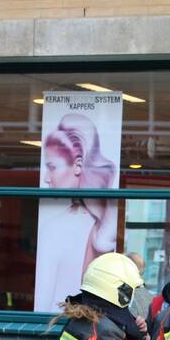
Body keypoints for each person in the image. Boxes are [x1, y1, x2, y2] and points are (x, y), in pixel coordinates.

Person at [34, 113, 119, 312]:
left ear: (79, 165)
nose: (46, 178)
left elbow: (42, 305)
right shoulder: (104, 226)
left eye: (52, 167)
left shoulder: (53, 229)